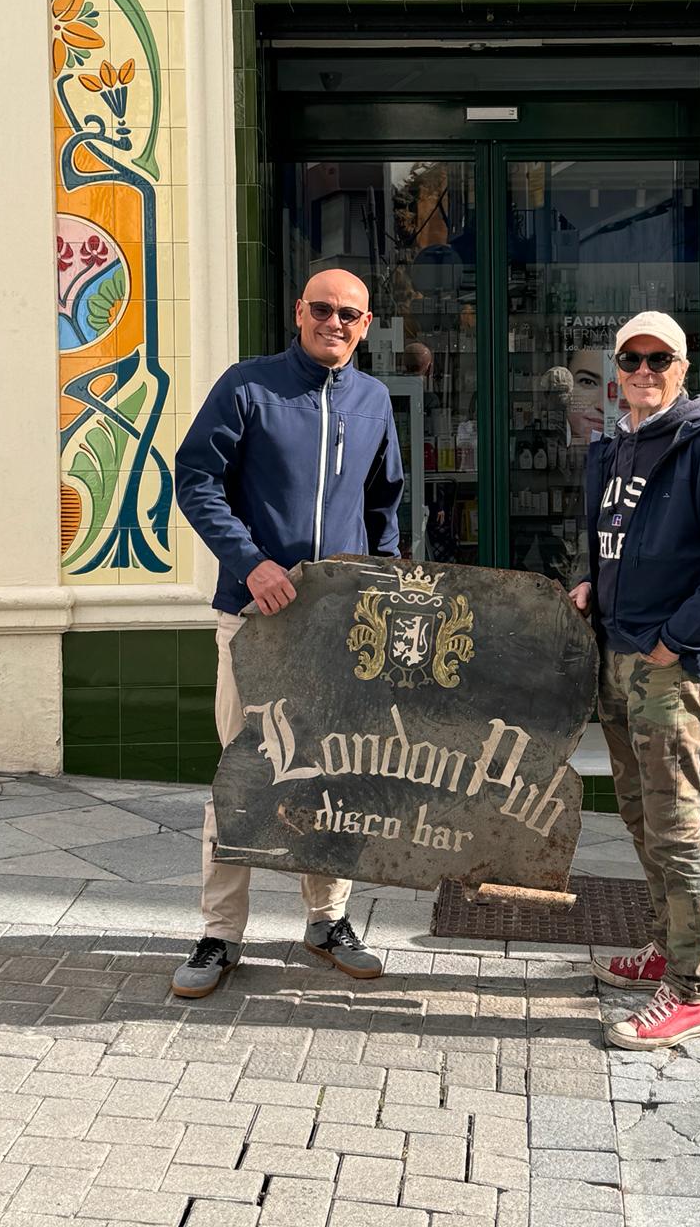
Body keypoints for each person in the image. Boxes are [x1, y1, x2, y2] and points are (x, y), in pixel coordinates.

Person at [171, 269, 404, 998]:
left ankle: (327, 919)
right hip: (254, 616)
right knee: (243, 775)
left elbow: (385, 506)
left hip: (336, 625)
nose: (335, 322)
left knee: (332, 773)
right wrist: (251, 564)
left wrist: (385, 597)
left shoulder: (372, 400)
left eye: (350, 315)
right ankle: (219, 932)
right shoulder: (249, 387)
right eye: (323, 309)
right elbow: (194, 478)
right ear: (298, 311)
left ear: (366, 325)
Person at [569, 311, 700, 1050]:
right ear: (617, 368)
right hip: (617, 656)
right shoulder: (615, 445)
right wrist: (590, 582)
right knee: (639, 817)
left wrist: (673, 642)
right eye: (632, 358)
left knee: (676, 828)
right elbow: (609, 543)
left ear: (684, 368)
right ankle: (666, 947)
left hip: (665, 668)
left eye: (661, 359)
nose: (645, 370)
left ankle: (691, 992)